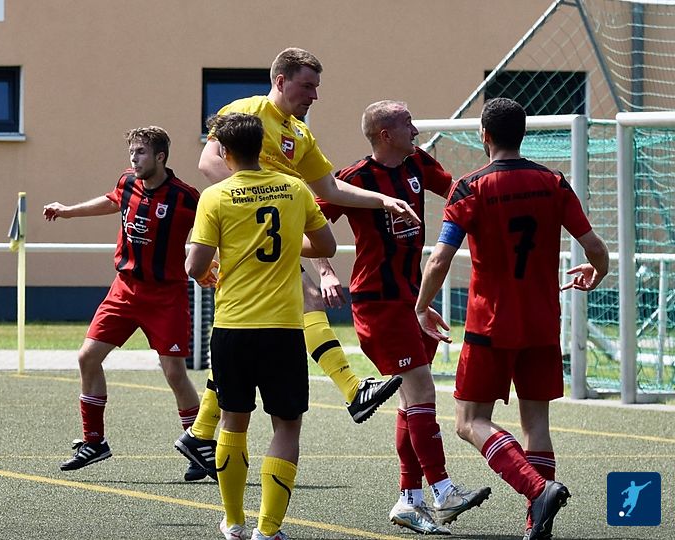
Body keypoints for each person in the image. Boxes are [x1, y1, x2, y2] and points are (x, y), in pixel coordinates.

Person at [176, 47, 411, 479]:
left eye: (317, 87)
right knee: (297, 308)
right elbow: (208, 162)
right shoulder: (247, 111)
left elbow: (330, 189)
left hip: (265, 234)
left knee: (277, 321)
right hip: (245, 235)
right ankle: (351, 390)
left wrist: (382, 200)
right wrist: (256, 200)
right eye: (307, 86)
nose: (315, 96)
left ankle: (201, 433)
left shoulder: (298, 133)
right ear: (281, 81)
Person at [415, 98, 610, 540]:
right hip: (542, 322)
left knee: (469, 421)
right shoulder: (553, 182)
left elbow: (440, 259)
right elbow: (596, 248)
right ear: (523, 134)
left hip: (490, 324)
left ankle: (537, 490)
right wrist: (597, 272)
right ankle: (535, 521)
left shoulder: (469, 187)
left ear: (484, 135)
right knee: (536, 424)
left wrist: (421, 306)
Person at [317, 100, 491, 534]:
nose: (416, 130)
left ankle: (409, 499)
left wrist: (498, 191)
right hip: (378, 301)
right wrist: (324, 271)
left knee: (410, 400)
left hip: (412, 300)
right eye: (407, 124)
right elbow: (310, 224)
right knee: (421, 388)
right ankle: (443, 490)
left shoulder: (417, 163)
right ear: (385, 135)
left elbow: (457, 191)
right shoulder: (353, 179)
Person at [187, 112, 336, 540]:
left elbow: (196, 266)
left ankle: (234, 522)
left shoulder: (214, 197)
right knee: (286, 425)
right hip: (283, 329)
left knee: (233, 422)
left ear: (224, 151)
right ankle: (268, 530)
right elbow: (326, 245)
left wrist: (205, 269)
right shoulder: (294, 189)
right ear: (261, 145)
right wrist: (289, 243)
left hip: (232, 327)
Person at [43, 127, 204, 477]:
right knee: (87, 357)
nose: (134, 158)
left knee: (174, 373)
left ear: (160, 157)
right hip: (125, 289)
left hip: (165, 296)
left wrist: (209, 260)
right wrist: (68, 211)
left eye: (141, 152)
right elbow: (112, 200)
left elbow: (214, 225)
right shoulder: (127, 182)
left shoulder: (185, 197)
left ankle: (200, 446)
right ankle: (94, 441)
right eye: (132, 151)